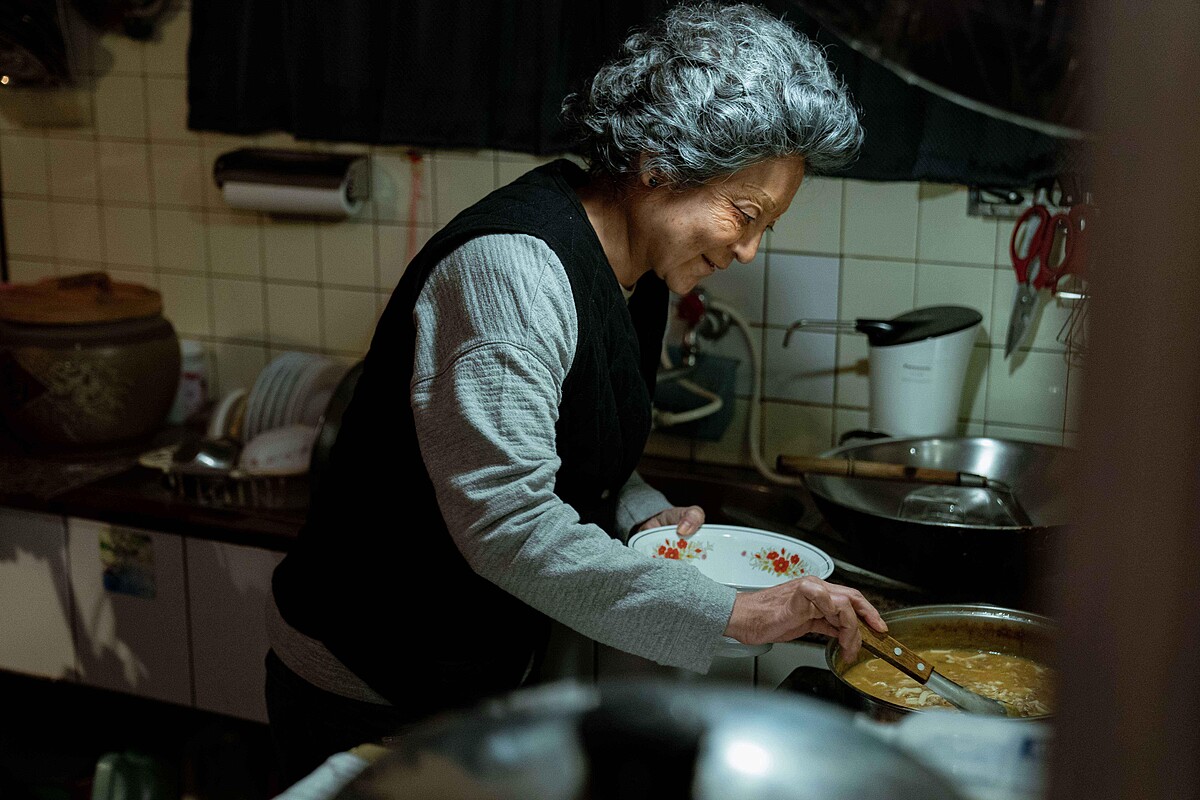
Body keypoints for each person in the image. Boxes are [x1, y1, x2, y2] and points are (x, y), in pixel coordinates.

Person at [264, 1, 886, 786]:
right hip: (370, 683)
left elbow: (574, 449)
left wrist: (643, 515)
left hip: (470, 675)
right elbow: (509, 522)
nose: (750, 250)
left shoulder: (638, 268)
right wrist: (739, 614)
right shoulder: (511, 274)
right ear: (661, 163)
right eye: (745, 213)